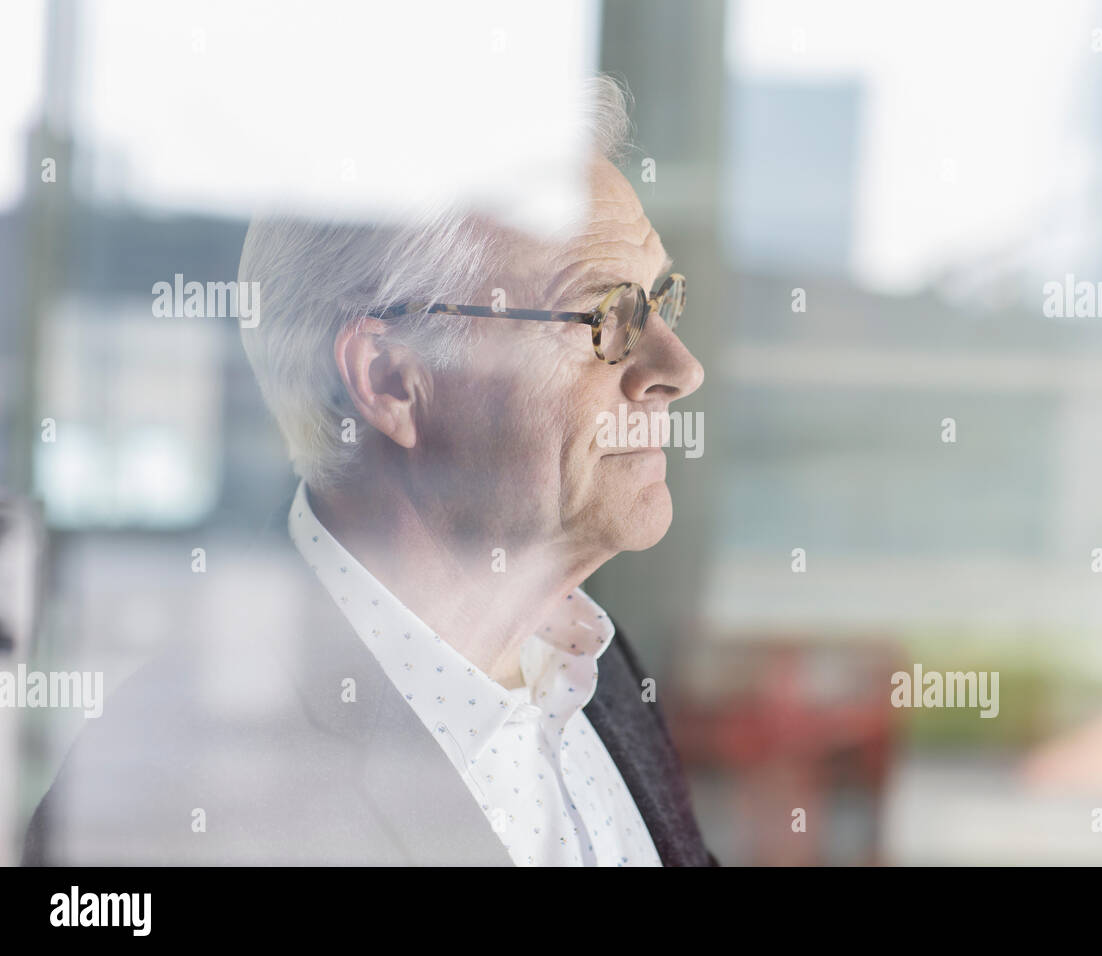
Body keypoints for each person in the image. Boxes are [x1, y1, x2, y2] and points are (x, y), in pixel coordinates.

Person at [24, 76, 715, 867]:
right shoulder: (171, 799)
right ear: (391, 382)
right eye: (609, 317)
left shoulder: (599, 671)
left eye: (661, 300)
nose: (679, 367)